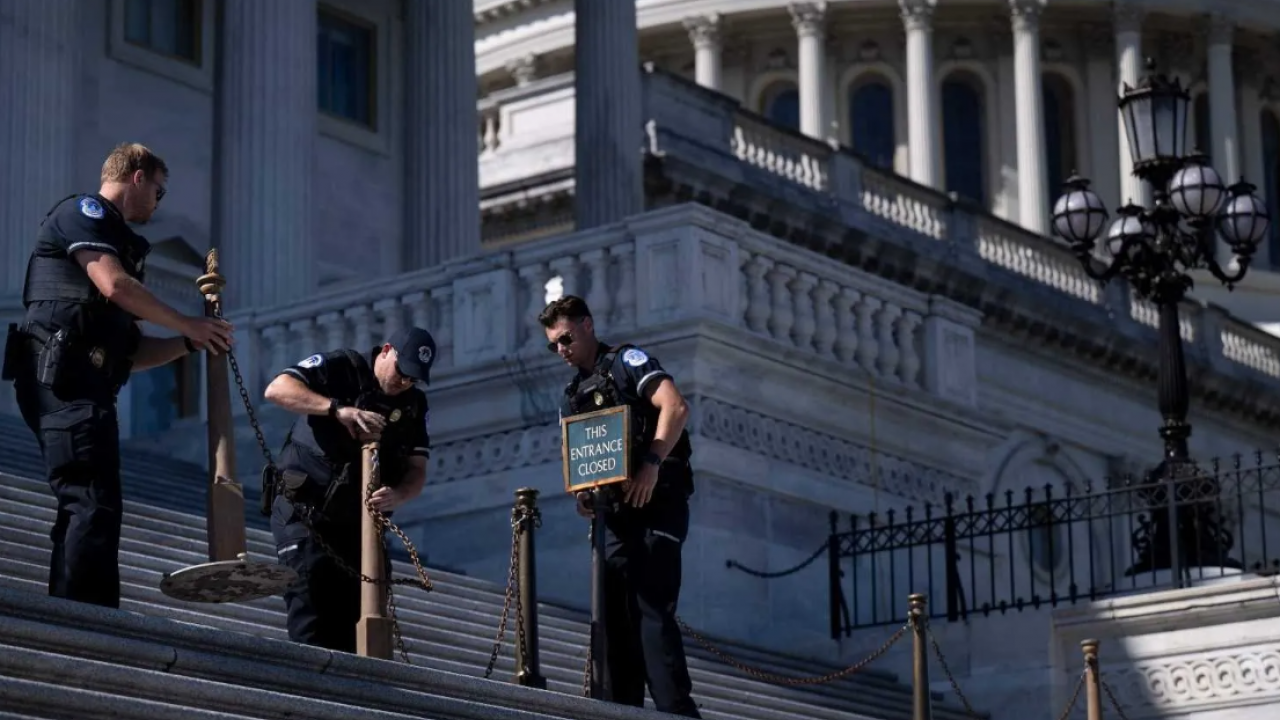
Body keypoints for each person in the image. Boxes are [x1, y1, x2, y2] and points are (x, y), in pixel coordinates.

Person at [2, 142, 235, 609]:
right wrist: (186, 321)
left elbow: (129, 353)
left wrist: (188, 343)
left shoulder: (122, 244)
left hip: (89, 386)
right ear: (137, 176)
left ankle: (80, 609)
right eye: (159, 191)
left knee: (93, 504)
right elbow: (114, 284)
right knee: (90, 499)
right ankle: (87, 618)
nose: (156, 201)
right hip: (61, 381)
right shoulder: (83, 214)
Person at [539, 295, 701, 718]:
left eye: (566, 338)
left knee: (653, 614)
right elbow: (572, 458)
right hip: (612, 519)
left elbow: (675, 406)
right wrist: (581, 496)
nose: (561, 349)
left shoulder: (628, 361)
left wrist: (650, 464)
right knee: (611, 622)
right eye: (553, 344)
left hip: (656, 507)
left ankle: (676, 713)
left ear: (588, 325)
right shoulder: (572, 393)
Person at [261, 326, 435, 653]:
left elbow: (417, 470)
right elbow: (277, 389)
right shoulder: (342, 367)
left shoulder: (414, 405)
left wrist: (399, 494)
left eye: (413, 377)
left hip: (359, 529)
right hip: (305, 515)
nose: (404, 382)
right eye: (402, 371)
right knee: (312, 621)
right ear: (386, 351)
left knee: (358, 630)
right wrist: (337, 409)